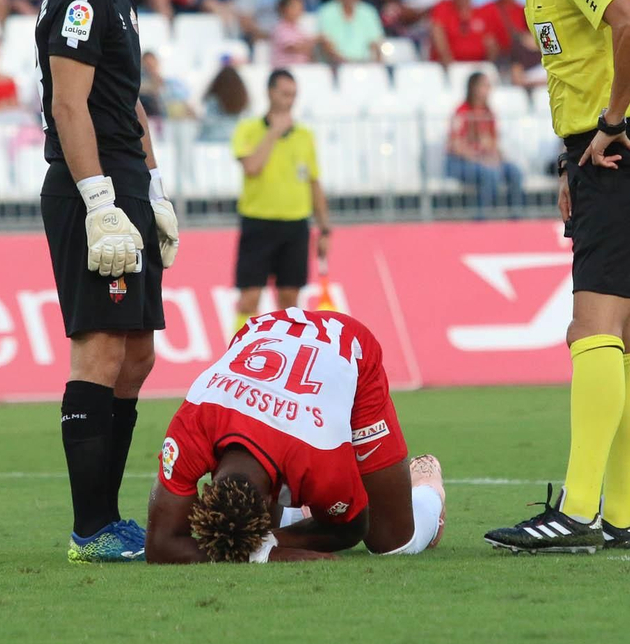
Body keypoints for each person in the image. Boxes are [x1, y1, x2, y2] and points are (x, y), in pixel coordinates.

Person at [448, 0, 630, 554]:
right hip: (607, 156)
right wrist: (571, 161)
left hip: (626, 150)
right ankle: (621, 515)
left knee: (593, 330)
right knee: (625, 338)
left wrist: (608, 125)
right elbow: (577, 65)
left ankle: (578, 511)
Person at [35, 0, 180, 564]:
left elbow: (121, 99)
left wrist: (149, 186)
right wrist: (99, 201)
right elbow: (69, 103)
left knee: (138, 354)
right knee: (99, 349)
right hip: (89, 186)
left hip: (123, 180)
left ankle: (109, 519)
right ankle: (90, 528)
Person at [145, 308, 446, 563]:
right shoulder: (191, 425)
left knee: (392, 544)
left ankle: (428, 487)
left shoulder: (321, 452)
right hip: (261, 334)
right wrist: (264, 550)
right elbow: (159, 545)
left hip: (349, 346)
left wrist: (268, 545)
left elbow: (353, 527)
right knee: (244, 525)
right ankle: (305, 506)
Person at [230, 70, 331, 334]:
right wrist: (274, 132)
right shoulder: (248, 129)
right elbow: (252, 166)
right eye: (285, 94)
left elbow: (314, 182)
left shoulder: (304, 135)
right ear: (270, 93)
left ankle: (286, 357)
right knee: (249, 299)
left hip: (296, 224)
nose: (290, 101)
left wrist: (324, 228)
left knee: (289, 301)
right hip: (258, 222)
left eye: (293, 95)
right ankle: (238, 355)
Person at [446, 71, 524, 216]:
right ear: (474, 88)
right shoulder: (462, 111)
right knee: (489, 174)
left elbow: (493, 143)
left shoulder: (489, 113)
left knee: (514, 172)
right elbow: (455, 146)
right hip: (460, 162)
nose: (489, 90)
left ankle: (516, 218)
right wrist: (480, 158)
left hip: (485, 160)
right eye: (485, 86)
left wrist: (496, 156)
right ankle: (483, 219)